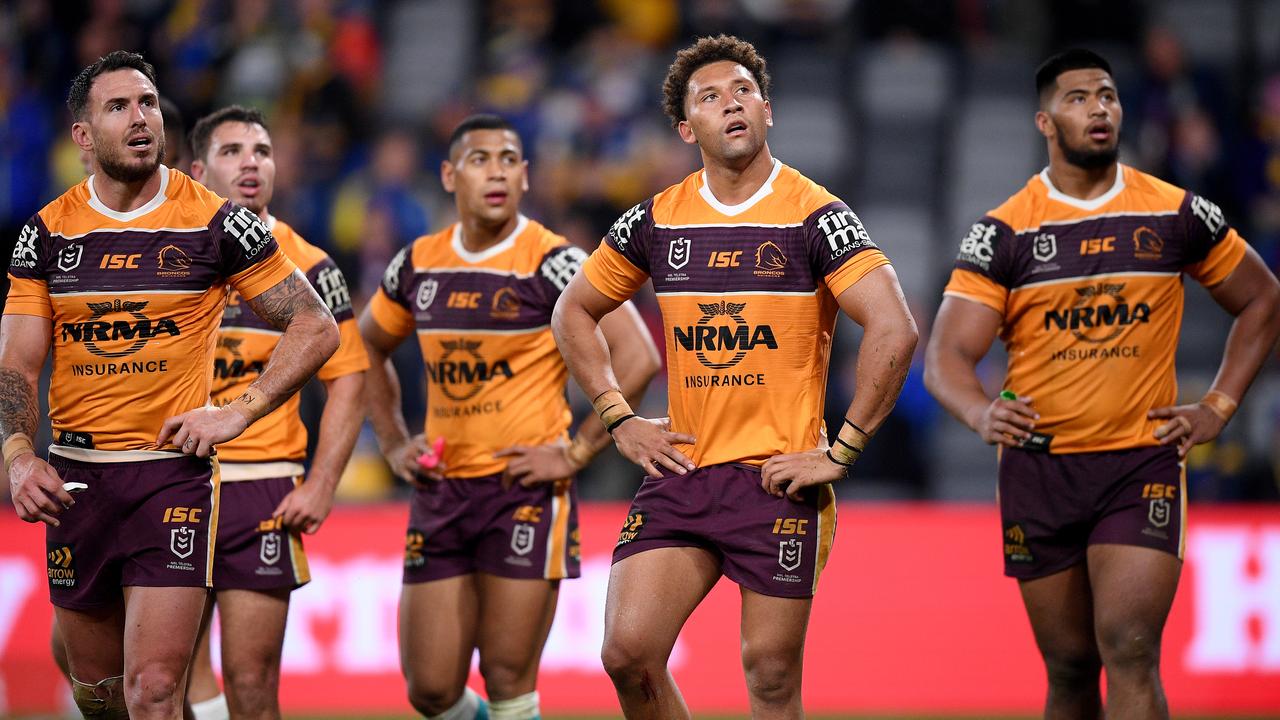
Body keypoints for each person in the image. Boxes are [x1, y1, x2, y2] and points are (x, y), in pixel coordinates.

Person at [551, 35, 917, 719]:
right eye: (711, 97)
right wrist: (617, 417)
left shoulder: (817, 216)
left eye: (744, 91)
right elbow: (573, 310)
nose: (732, 104)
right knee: (627, 653)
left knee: (770, 677)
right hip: (684, 470)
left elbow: (895, 328)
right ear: (687, 129)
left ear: (767, 110)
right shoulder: (656, 219)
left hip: (778, 477)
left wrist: (842, 451)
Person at [924, 48, 1280, 719]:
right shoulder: (1005, 231)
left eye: (1109, 96)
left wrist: (1219, 405)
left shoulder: (1175, 212)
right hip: (1039, 471)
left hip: (1139, 463)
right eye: (1079, 98)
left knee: (1130, 645)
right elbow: (946, 355)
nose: (1100, 109)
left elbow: (1263, 298)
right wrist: (979, 413)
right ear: (1045, 122)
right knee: (1069, 667)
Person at [2, 51, 339, 720]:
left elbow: (314, 324)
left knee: (155, 690)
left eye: (149, 104)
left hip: (170, 478)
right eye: (118, 106)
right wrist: (16, 456)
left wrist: (238, 411)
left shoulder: (217, 222)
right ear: (82, 135)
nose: (140, 118)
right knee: (100, 695)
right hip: (76, 481)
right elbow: (16, 363)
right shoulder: (46, 232)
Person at [360, 114, 661, 720]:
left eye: (508, 161)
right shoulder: (418, 264)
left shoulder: (554, 262)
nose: (495, 173)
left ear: (525, 176)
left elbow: (638, 356)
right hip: (441, 490)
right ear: (450, 175)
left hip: (523, 492)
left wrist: (575, 452)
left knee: (507, 679)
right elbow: (366, 345)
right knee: (430, 691)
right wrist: (391, 439)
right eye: (480, 160)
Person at [180, 105, 369, 720]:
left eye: (261, 151)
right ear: (198, 170)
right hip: (173, 476)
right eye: (232, 151)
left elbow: (350, 380)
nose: (251, 163)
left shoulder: (311, 265)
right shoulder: (170, 254)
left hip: (261, 487)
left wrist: (322, 483)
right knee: (161, 679)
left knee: (252, 681)